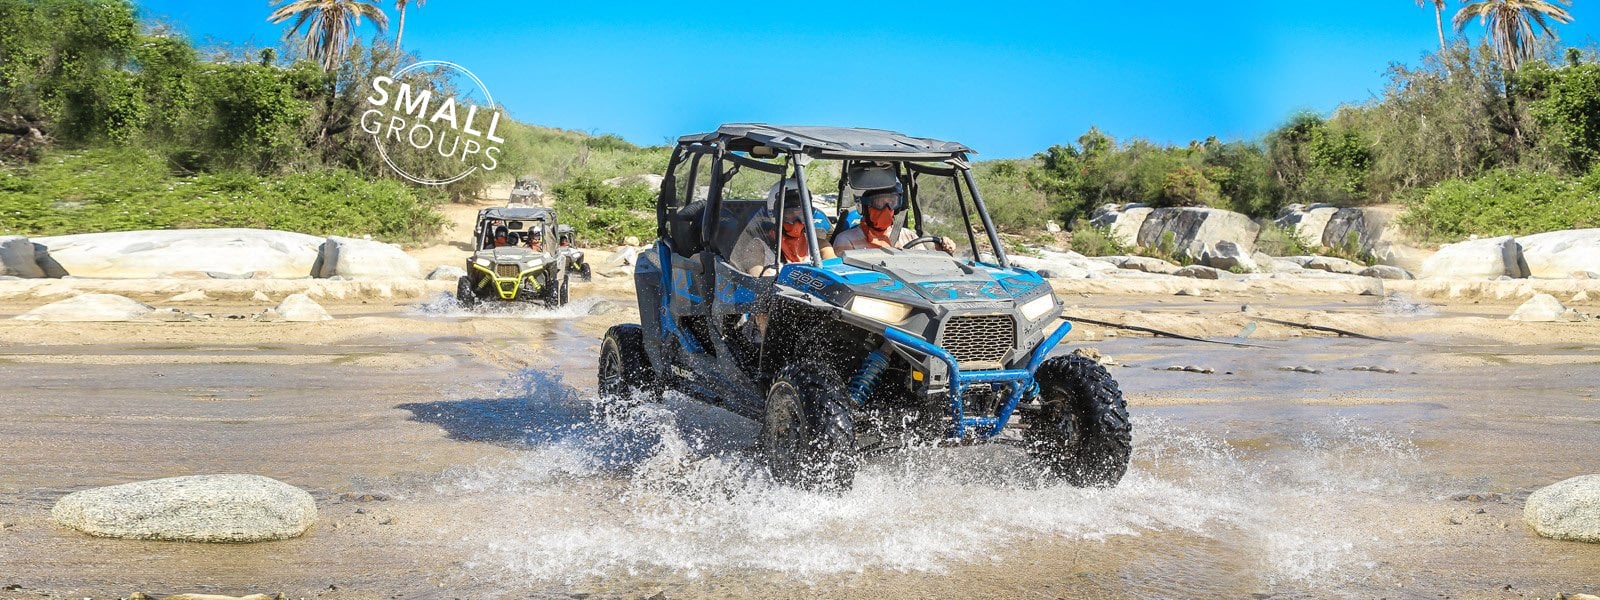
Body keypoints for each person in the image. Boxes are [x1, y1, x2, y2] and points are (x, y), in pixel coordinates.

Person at [833, 185, 954, 254]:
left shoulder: (909, 236)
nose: (886, 208)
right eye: (879, 203)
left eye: (891, 202)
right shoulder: (846, 240)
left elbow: (925, 267)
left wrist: (942, 251)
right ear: (864, 208)